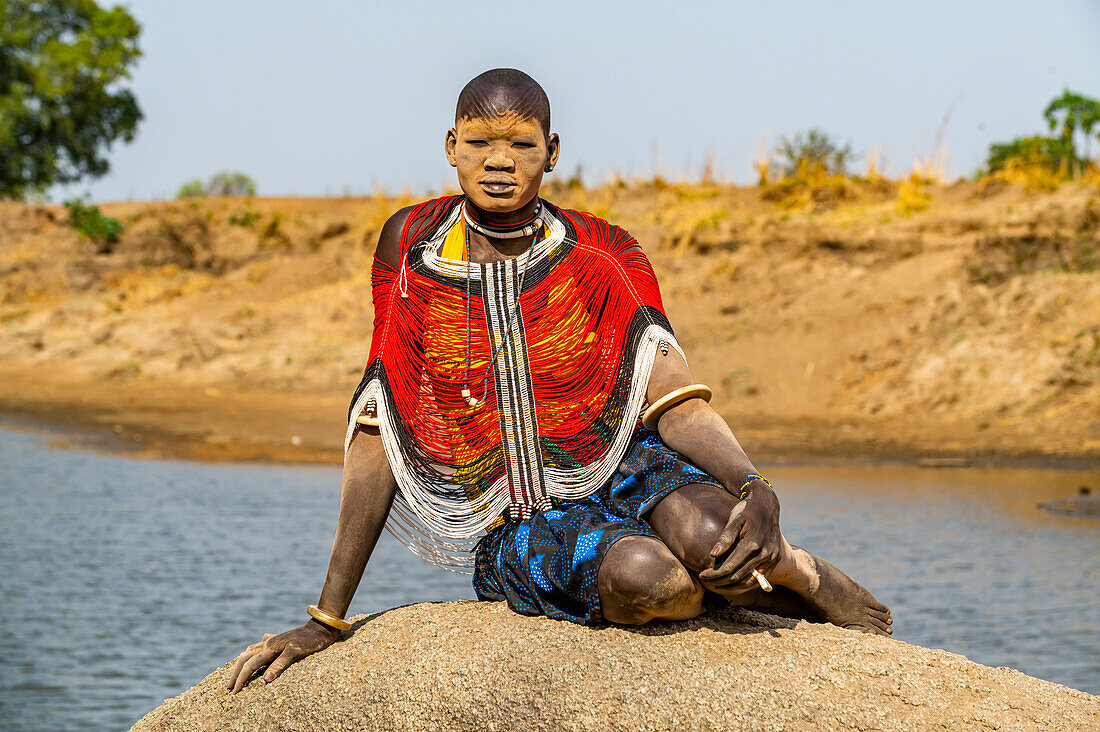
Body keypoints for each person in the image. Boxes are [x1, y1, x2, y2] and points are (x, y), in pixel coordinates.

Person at [227, 68, 891, 694]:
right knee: (653, 579)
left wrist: (755, 486)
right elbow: (381, 424)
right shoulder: (413, 249)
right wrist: (327, 619)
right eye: (480, 141)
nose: (499, 159)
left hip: (630, 463)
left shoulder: (599, 252)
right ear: (451, 147)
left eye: (521, 142)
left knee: (719, 543)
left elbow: (675, 401)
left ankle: (797, 568)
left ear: (552, 151)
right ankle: (732, 586)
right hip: (522, 515)